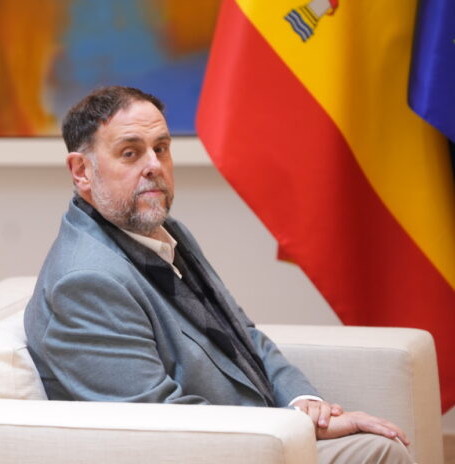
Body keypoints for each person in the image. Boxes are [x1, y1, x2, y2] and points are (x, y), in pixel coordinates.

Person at [24, 86, 413, 463]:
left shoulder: (163, 232)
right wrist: (296, 427)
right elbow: (156, 424)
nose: (154, 166)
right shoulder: (86, 281)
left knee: (380, 443)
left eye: (161, 148)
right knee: (380, 451)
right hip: (217, 449)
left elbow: (244, 334)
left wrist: (305, 404)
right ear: (82, 171)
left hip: (259, 432)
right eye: (130, 153)